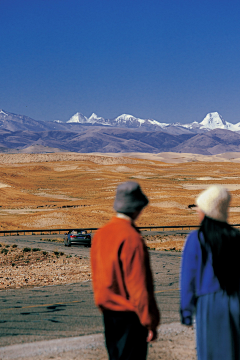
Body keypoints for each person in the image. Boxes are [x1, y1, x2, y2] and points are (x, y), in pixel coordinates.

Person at [91, 181, 160, 360]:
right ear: (137, 207)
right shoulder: (131, 238)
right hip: (131, 316)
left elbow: (98, 277)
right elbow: (138, 286)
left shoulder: (101, 234)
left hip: (109, 314)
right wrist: (148, 321)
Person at [180, 185, 240, 360]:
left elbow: (187, 280)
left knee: (211, 353)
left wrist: (186, 312)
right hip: (236, 300)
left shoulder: (196, 239)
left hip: (209, 305)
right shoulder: (236, 237)